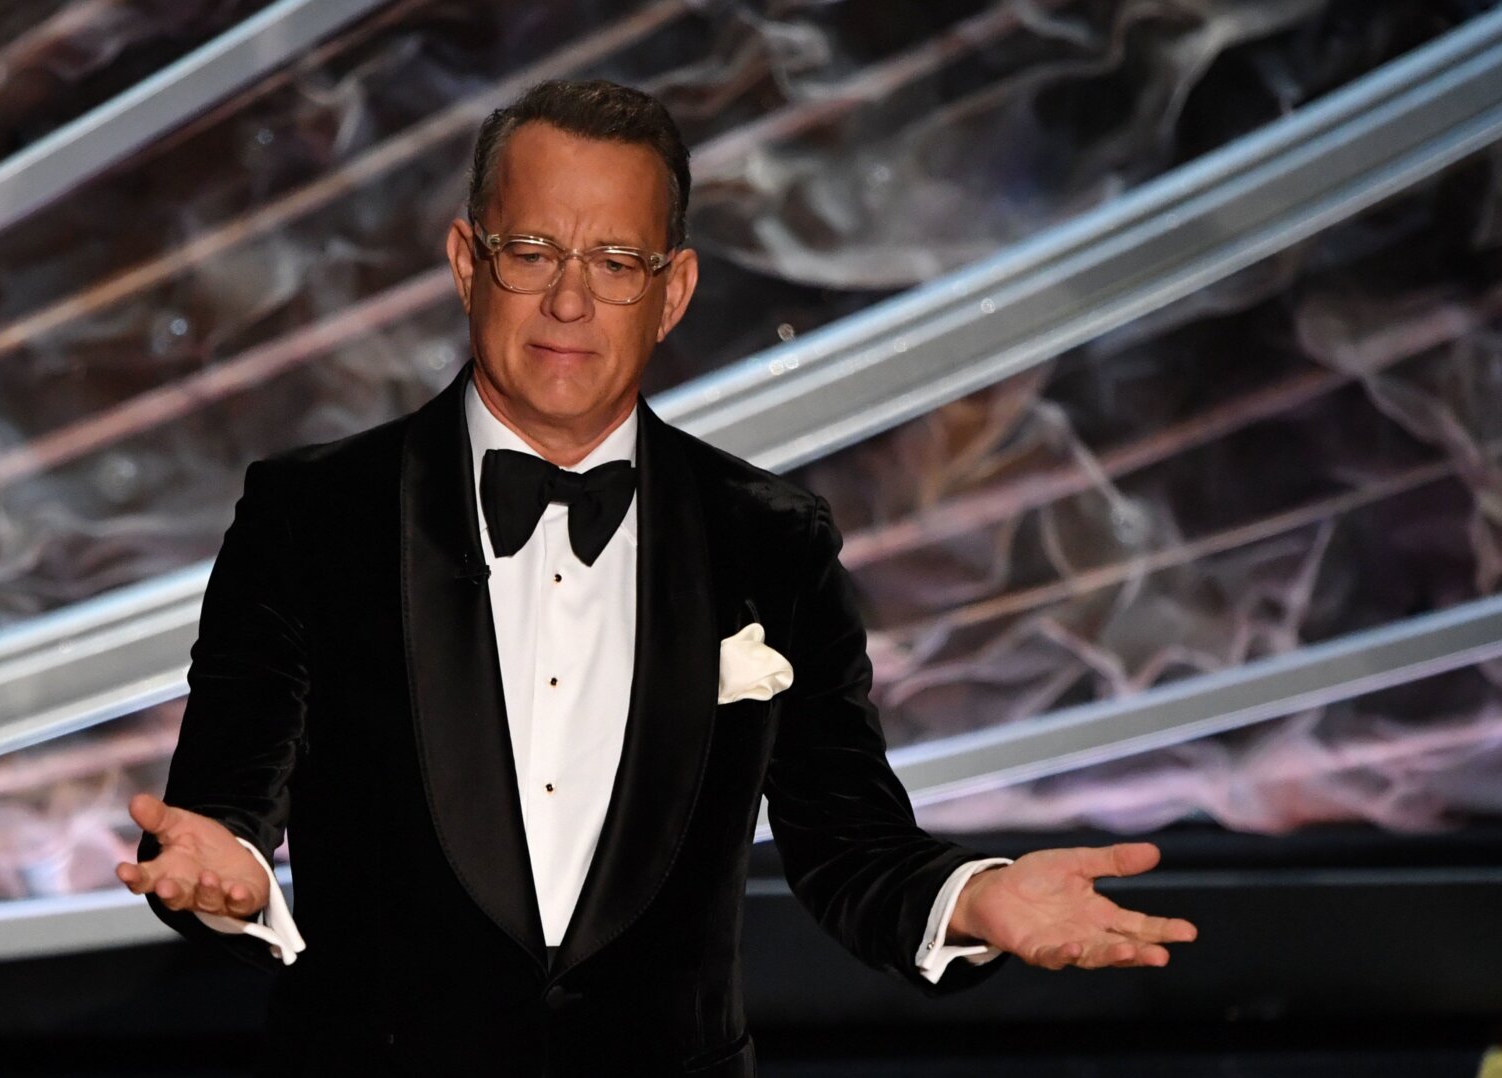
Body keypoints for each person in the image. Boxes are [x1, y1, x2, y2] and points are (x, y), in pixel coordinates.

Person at [115, 79, 1197, 1076]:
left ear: (672, 289)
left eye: (615, 261)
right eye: (533, 249)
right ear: (466, 260)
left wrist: (978, 897)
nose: (570, 301)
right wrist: (232, 881)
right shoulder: (312, 514)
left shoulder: (770, 538)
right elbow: (218, 815)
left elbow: (848, 841)